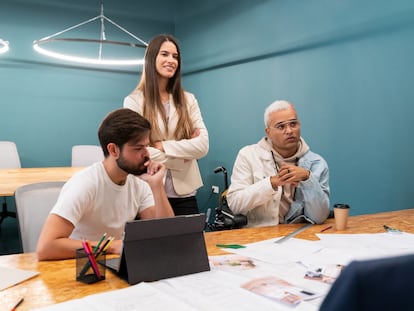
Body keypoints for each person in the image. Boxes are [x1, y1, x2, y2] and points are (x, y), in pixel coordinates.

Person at [36, 108, 174, 260]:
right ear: (114, 150)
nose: (146, 154)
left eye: (146, 146)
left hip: (112, 263)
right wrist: (111, 246)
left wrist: (157, 186)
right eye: (138, 148)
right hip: (80, 266)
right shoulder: (85, 184)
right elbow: (46, 248)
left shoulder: (138, 183)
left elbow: (166, 234)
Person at [124, 34, 209, 216]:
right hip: (148, 192)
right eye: (164, 54)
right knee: (151, 245)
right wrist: (184, 155)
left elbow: (202, 146)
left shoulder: (188, 100)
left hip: (185, 193)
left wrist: (161, 146)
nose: (171, 60)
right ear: (151, 59)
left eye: (175, 56)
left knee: (188, 244)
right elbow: (139, 151)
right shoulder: (133, 102)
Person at [226, 100, 330, 227]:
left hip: (299, 236)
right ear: (268, 132)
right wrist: (271, 183)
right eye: (281, 126)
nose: (289, 131)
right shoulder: (248, 155)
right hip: (258, 236)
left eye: (293, 124)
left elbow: (319, 217)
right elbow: (235, 204)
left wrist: (308, 178)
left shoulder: (316, 163)